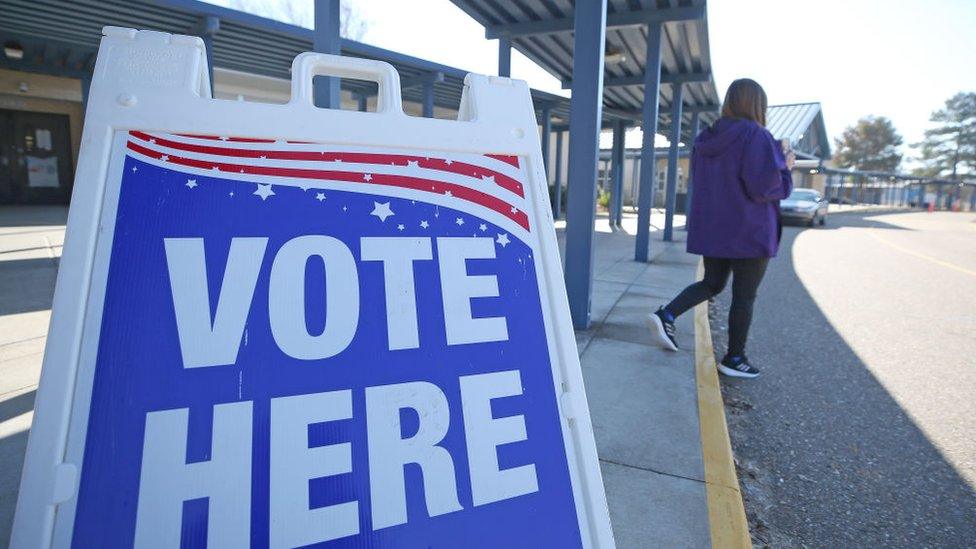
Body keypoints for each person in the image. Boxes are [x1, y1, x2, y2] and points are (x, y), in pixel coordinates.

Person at [647, 78, 794, 379]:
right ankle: (735, 357)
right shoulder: (757, 135)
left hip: (716, 229)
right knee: (744, 296)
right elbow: (765, 187)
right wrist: (785, 167)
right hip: (750, 231)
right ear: (757, 105)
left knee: (712, 283)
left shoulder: (707, 138)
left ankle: (667, 313)